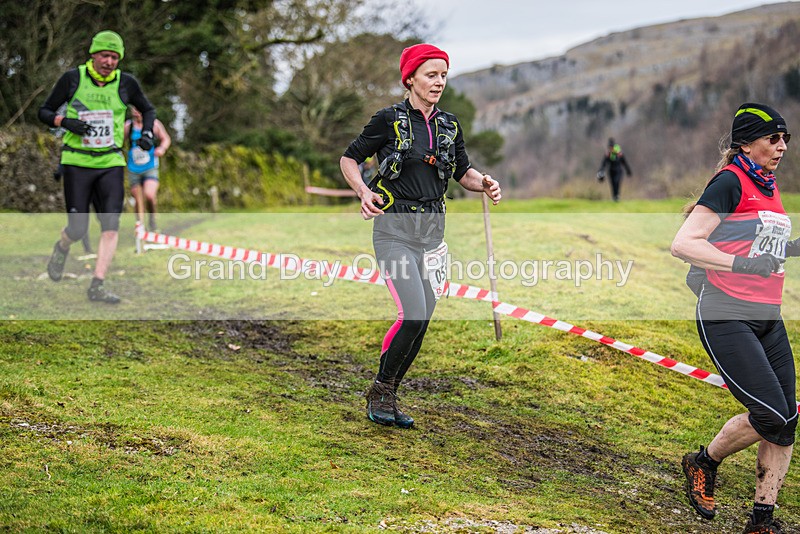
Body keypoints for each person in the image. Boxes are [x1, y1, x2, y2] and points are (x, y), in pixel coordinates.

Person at [340, 43, 502, 429]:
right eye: (431, 75)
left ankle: (390, 392)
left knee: (423, 316)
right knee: (411, 313)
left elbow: (463, 173)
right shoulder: (387, 119)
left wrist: (486, 184)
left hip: (432, 237)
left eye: (443, 75)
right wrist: (364, 191)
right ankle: (380, 390)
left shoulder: (449, 124)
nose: (439, 82)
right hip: (394, 231)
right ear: (410, 78)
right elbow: (349, 158)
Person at [671, 103, 797, 533]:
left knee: (786, 422)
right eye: (773, 138)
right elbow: (684, 244)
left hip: (767, 317)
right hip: (725, 313)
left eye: (786, 139)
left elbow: (757, 244)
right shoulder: (730, 181)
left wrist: (791, 247)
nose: (782, 146)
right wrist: (740, 266)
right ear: (747, 142)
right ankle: (703, 462)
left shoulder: (769, 182)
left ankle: (761, 522)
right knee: (772, 416)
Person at [38, 30, 156, 303]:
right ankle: (62, 247)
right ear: (93, 54)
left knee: (111, 225)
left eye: (115, 57)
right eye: (105, 55)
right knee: (77, 228)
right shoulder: (72, 79)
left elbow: (148, 110)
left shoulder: (126, 84)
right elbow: (43, 111)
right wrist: (64, 122)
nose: (110, 61)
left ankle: (97, 285)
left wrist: (147, 133)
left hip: (111, 162)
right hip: (77, 161)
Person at [125, 106, 171, 232]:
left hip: (150, 166)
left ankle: (152, 219)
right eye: (134, 108)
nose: (136, 111)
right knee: (138, 199)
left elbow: (166, 139)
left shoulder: (154, 124)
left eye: (138, 108)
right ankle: (140, 227)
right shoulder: (128, 126)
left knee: (149, 195)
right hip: (134, 168)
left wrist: (162, 148)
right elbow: (117, 141)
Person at [596, 137, 632, 201]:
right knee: (612, 184)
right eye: (609, 148)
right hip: (611, 171)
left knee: (616, 182)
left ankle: (617, 196)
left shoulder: (619, 154)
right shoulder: (608, 155)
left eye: (611, 148)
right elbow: (604, 163)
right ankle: (614, 197)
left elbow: (624, 163)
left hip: (618, 171)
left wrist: (628, 171)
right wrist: (601, 171)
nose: (610, 149)